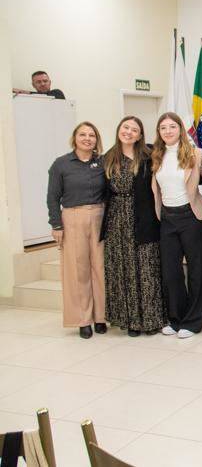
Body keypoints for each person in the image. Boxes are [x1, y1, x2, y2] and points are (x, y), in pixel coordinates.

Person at [101, 116, 164, 337]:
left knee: (147, 269)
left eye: (134, 130)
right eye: (125, 127)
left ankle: (151, 320)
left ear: (140, 135)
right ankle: (130, 322)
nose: (128, 132)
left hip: (144, 218)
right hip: (116, 221)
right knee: (122, 271)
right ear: (119, 129)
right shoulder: (107, 158)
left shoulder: (149, 155)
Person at [151, 112, 202, 339]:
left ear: (180, 129)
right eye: (163, 127)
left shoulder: (195, 154)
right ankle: (176, 319)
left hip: (192, 218)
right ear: (159, 132)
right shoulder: (155, 156)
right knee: (170, 272)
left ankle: (193, 322)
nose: (168, 131)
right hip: (167, 219)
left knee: (197, 271)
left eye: (172, 126)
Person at [46, 122, 106, 338]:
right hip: (72, 218)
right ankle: (83, 319)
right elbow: (52, 197)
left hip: (100, 217)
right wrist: (56, 225)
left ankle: (101, 317)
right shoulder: (61, 164)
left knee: (100, 268)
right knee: (78, 270)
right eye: (83, 134)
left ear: (96, 140)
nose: (87, 138)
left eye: (92, 135)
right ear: (75, 138)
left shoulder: (103, 162)